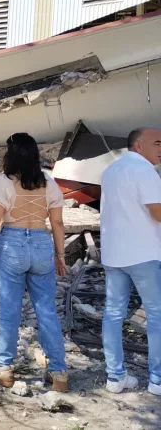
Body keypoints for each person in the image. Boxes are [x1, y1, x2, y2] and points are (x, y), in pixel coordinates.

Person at [0, 133, 69, 392]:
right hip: (41, 243)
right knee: (47, 310)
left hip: (13, 244)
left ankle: (4, 369)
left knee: (9, 310)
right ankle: (59, 373)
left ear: (11, 155)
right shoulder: (49, 183)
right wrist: (60, 256)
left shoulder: (2, 182)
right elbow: (58, 223)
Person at [100, 127, 161, 395]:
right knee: (157, 316)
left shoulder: (110, 171)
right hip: (143, 254)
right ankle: (157, 380)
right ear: (139, 145)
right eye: (157, 143)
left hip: (114, 254)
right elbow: (157, 213)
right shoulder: (145, 170)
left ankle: (115, 377)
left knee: (113, 315)